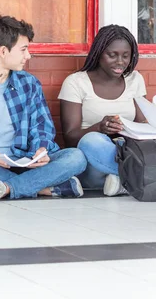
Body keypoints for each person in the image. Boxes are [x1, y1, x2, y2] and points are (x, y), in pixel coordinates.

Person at [0, 16, 87, 202]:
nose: (28, 56)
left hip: (26, 160)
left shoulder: (29, 84)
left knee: (76, 157)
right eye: (23, 49)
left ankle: (5, 187)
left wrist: (40, 150)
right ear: (3, 51)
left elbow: (42, 127)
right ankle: (42, 188)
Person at [59, 25, 146, 196]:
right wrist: (99, 128)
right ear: (98, 53)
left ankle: (121, 181)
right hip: (94, 161)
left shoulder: (135, 79)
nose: (120, 62)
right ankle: (137, 179)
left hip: (126, 150)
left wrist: (133, 130)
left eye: (126, 56)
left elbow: (142, 124)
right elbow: (70, 137)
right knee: (91, 141)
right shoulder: (76, 82)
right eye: (112, 55)